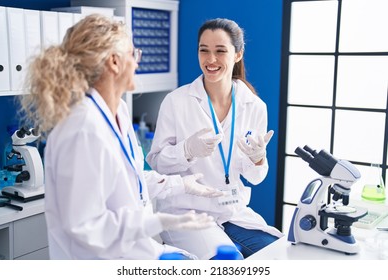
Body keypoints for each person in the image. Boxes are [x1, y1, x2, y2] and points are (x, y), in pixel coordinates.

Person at [17, 14, 221, 260]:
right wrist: (155, 222)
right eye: (133, 55)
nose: (137, 63)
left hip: (133, 252)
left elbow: (125, 181)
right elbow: (85, 226)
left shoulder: (119, 113)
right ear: (114, 62)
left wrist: (179, 184)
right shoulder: (82, 129)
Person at [146, 18, 284, 260]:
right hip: (186, 210)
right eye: (204, 50)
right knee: (230, 263)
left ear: (238, 54)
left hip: (233, 210)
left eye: (220, 51)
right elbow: (157, 162)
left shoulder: (255, 106)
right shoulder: (176, 101)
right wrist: (187, 150)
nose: (210, 60)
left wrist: (258, 159)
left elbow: (255, 177)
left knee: (279, 256)